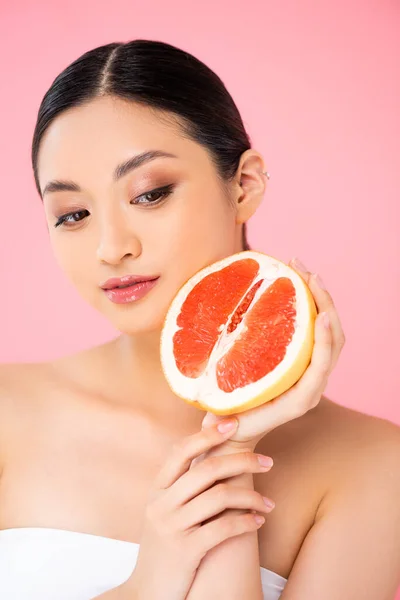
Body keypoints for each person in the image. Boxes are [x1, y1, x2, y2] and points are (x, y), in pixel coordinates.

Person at [0, 38, 399, 600]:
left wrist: (230, 448)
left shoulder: (372, 466)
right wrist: (149, 584)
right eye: (73, 214)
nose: (111, 247)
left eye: (150, 193)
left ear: (244, 185)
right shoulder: (7, 415)